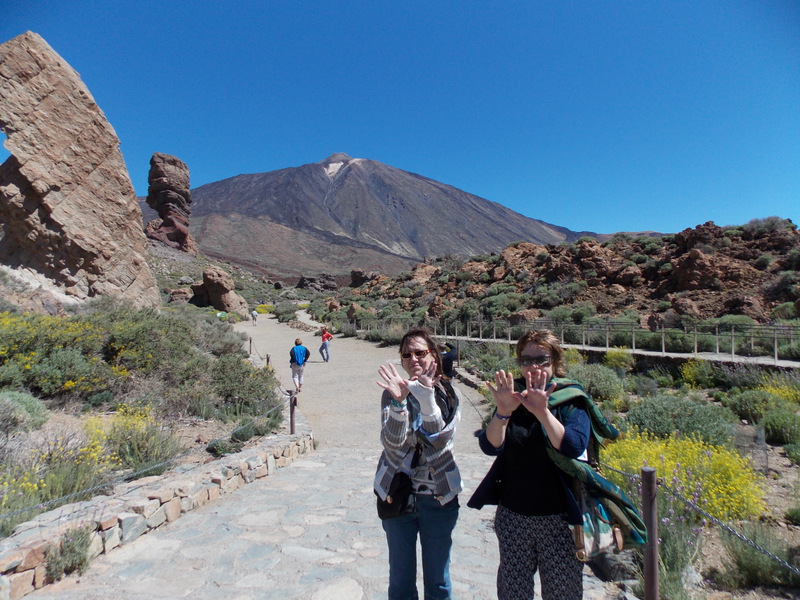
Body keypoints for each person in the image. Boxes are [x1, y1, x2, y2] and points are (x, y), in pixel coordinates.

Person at [469, 329, 591, 600]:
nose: (533, 366)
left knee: (563, 593)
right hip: (514, 518)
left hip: (560, 521)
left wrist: (543, 412)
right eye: (526, 360)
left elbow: (573, 445)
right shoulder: (512, 398)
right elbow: (491, 446)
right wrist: (502, 412)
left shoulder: (571, 400)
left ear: (555, 361)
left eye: (542, 359)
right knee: (513, 593)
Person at [375, 327, 462, 600]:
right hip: (398, 495)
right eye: (407, 354)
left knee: (438, 582)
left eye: (420, 352)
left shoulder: (448, 393)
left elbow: (436, 439)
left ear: (433, 355)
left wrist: (425, 398)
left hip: (438, 497)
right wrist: (400, 405)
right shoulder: (393, 393)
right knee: (400, 582)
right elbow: (393, 443)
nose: (414, 359)